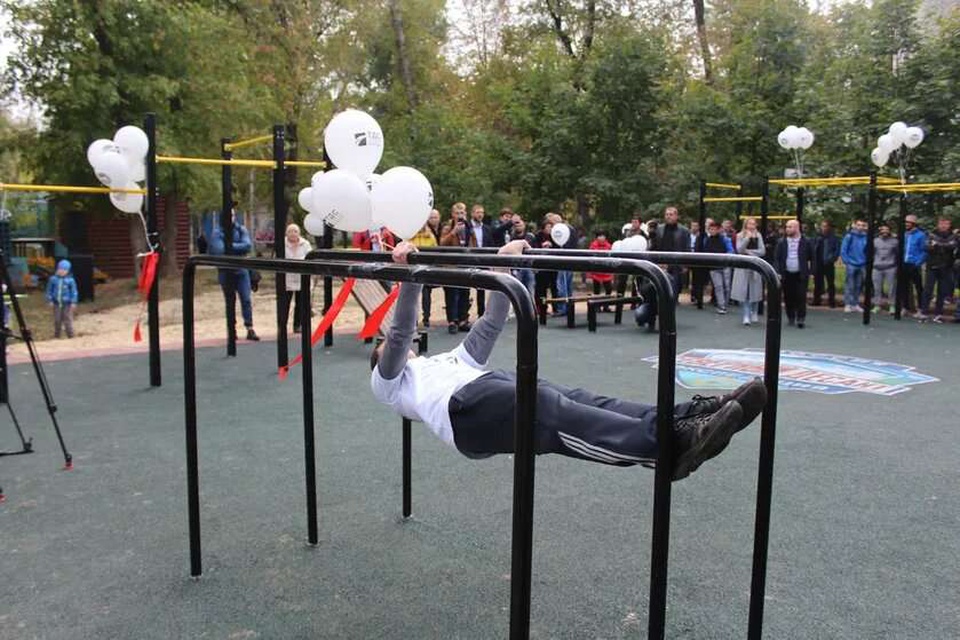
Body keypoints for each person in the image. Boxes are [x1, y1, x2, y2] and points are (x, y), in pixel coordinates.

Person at [370, 240, 768, 481]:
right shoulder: (390, 385)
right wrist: (411, 275)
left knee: (579, 398)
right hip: (464, 414)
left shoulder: (449, 360)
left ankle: (690, 417)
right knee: (549, 409)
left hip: (485, 387)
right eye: (383, 349)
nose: (390, 347)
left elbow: (490, 322)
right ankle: (667, 447)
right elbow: (400, 334)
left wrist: (503, 263)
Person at [208, 209, 260, 341]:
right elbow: (219, 250)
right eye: (229, 215)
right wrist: (237, 248)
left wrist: (229, 246)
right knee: (230, 301)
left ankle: (249, 328)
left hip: (241, 270)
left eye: (233, 215)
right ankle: (232, 329)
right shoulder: (217, 232)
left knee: (246, 299)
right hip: (225, 271)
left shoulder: (241, 229)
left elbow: (247, 245)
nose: (231, 217)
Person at [440, 203, 472, 334]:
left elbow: (473, 243)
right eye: (457, 213)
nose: (460, 216)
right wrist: (453, 232)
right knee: (452, 294)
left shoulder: (469, 227)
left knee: (465, 292)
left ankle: (463, 319)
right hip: (451, 265)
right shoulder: (447, 228)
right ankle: (452, 321)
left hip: (466, 263)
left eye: (462, 213)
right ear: (453, 214)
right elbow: (442, 243)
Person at [775, 219, 813, 328]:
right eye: (787, 227)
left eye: (790, 227)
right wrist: (778, 271)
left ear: (797, 228)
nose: (787, 229)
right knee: (788, 296)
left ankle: (801, 318)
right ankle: (790, 316)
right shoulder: (781, 242)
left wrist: (812, 272)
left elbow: (812, 257)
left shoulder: (806, 241)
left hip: (801, 273)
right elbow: (777, 258)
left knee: (801, 296)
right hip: (786, 273)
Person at [918, 217, 957, 323]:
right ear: (938, 224)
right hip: (932, 266)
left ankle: (938, 314)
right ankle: (924, 313)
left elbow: (953, 246)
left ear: (949, 225)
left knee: (942, 292)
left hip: (946, 267)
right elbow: (927, 247)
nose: (943, 226)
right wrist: (942, 245)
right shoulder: (931, 234)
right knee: (928, 290)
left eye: (946, 224)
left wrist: (938, 244)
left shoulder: (954, 236)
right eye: (941, 223)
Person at [731, 217, 766, 326]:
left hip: (755, 266)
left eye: (753, 224)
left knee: (755, 291)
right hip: (743, 267)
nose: (751, 226)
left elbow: (762, 251)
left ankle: (754, 311)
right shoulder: (740, 235)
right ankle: (746, 315)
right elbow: (739, 250)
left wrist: (749, 252)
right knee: (744, 292)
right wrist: (747, 239)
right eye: (749, 224)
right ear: (745, 225)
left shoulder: (758, 236)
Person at [411, 209, 441, 327]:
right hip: (413, 269)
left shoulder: (430, 236)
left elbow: (435, 251)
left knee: (426, 294)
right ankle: (413, 319)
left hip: (426, 268)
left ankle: (426, 317)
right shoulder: (410, 236)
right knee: (413, 296)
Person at [281, 224, 312, 334]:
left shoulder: (305, 244)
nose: (293, 233)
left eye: (295, 231)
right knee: (285, 304)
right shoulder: (282, 244)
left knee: (301, 303)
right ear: (286, 233)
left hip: (301, 278)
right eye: (290, 231)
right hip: (286, 278)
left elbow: (311, 258)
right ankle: (282, 326)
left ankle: (297, 325)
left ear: (299, 233)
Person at [654, 207, 691, 300]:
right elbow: (655, 246)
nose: (668, 216)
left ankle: (673, 303)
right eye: (666, 214)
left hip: (676, 263)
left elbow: (687, 248)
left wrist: (685, 264)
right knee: (660, 286)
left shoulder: (684, 231)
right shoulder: (659, 229)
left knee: (674, 288)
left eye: (671, 214)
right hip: (661, 262)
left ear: (676, 216)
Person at [702, 221, 731, 314]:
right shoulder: (706, 240)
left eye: (714, 229)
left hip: (725, 265)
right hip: (713, 267)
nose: (712, 231)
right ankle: (721, 306)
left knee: (727, 286)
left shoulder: (725, 239)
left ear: (718, 230)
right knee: (718, 287)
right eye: (711, 229)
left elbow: (730, 251)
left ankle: (725, 304)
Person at [840, 219, 868, 313]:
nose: (860, 227)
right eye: (858, 225)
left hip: (862, 264)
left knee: (858, 285)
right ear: (855, 226)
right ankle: (848, 304)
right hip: (851, 264)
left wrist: (865, 261)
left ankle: (855, 304)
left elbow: (868, 251)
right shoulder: (849, 236)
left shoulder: (866, 237)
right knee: (850, 285)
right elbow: (843, 250)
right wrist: (847, 262)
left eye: (862, 225)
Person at [45, 259, 78, 339]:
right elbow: (49, 290)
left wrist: (73, 301)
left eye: (64, 270)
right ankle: (57, 335)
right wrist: (50, 299)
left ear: (68, 271)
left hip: (67, 303)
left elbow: (74, 291)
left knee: (67, 319)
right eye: (60, 269)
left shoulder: (70, 280)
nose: (62, 271)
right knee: (57, 319)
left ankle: (70, 335)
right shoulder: (53, 279)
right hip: (56, 303)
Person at [901, 214, 927, 315]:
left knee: (919, 288)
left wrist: (917, 263)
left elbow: (924, 251)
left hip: (914, 264)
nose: (906, 224)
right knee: (904, 287)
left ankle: (920, 308)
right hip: (904, 263)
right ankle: (905, 307)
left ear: (914, 223)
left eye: (908, 222)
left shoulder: (921, 235)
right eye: (906, 222)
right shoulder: (905, 234)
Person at [812, 220, 839, 308]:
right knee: (817, 282)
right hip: (818, 263)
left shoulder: (834, 238)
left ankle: (831, 301)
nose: (824, 228)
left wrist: (832, 259)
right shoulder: (817, 238)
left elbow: (836, 250)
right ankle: (816, 300)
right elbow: (813, 248)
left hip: (828, 263)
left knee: (830, 283)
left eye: (826, 226)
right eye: (822, 226)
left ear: (829, 227)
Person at [872, 223, 898, 314]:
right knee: (877, 288)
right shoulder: (874, 241)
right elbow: (870, 253)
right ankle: (877, 305)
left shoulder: (895, 241)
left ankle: (892, 306)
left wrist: (896, 266)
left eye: (887, 230)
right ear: (880, 231)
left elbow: (898, 254)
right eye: (883, 229)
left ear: (890, 231)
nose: (885, 231)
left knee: (891, 288)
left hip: (890, 268)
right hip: (877, 268)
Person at [587, 230, 614, 310]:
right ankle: (597, 306)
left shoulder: (609, 246)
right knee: (596, 290)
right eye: (599, 236)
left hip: (606, 271)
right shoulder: (593, 246)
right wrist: (589, 274)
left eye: (603, 236)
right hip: (596, 271)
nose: (601, 237)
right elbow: (590, 259)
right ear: (597, 237)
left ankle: (606, 305)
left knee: (608, 289)